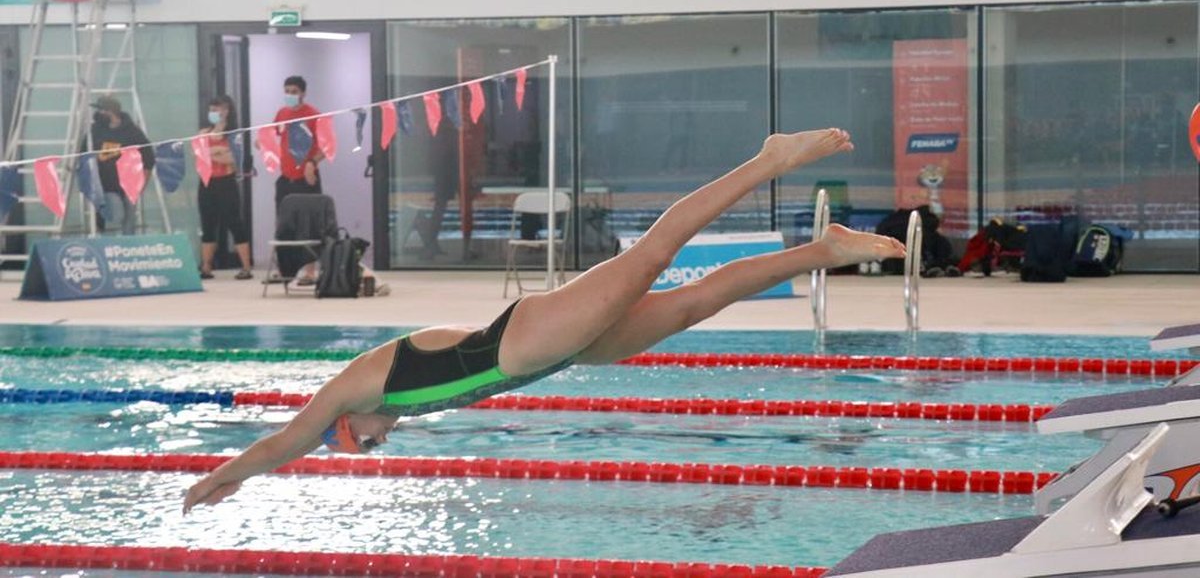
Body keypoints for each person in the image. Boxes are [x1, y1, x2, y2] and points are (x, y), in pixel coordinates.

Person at [183, 129, 905, 513]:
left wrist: (225, 474)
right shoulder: (389, 403)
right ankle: (822, 249)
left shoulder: (357, 385)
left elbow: (288, 438)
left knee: (655, 254)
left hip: (525, 340)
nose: (372, 447)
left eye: (358, 448)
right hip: (549, 354)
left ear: (349, 426)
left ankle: (766, 158)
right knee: (692, 303)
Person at [273, 76, 323, 283]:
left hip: (306, 177)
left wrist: (312, 162)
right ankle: (284, 269)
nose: (290, 95)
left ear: (303, 93)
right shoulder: (282, 114)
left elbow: (326, 147)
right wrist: (263, 143)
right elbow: (273, 135)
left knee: (309, 224)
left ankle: (310, 270)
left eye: (294, 91)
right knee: (283, 225)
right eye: (287, 91)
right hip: (286, 177)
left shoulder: (314, 115)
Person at [197, 95, 253, 280]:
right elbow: (198, 155)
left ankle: (245, 266)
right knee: (208, 225)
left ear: (226, 111)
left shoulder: (233, 135)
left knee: (234, 223)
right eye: (211, 109)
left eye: (217, 109)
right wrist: (219, 152)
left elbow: (234, 160)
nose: (213, 113)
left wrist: (211, 153)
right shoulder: (203, 132)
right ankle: (206, 266)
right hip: (207, 183)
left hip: (226, 182)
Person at [90, 95, 155, 235]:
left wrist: (142, 184)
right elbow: (83, 155)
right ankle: (105, 245)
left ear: (110, 112)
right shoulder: (95, 130)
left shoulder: (132, 131)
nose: (98, 114)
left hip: (129, 186)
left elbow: (148, 158)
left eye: (101, 111)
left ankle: (128, 249)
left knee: (129, 221)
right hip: (105, 186)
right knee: (115, 213)